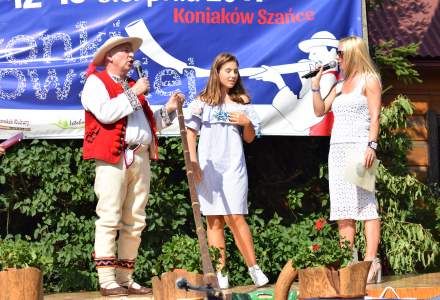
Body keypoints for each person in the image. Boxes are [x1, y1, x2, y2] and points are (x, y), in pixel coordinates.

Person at [81, 35, 184, 297]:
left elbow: (148, 126)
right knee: (109, 217)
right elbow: (105, 113)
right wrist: (135, 92)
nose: (131, 56)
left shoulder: (129, 86)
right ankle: (106, 280)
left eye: (131, 52)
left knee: (136, 221)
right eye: (125, 51)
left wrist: (169, 110)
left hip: (140, 157)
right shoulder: (96, 82)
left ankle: (125, 277)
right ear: (109, 57)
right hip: (113, 158)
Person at [185, 53, 269, 289]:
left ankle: (254, 269)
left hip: (234, 166)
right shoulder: (201, 101)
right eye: (228, 71)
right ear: (217, 72)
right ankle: (221, 274)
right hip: (208, 167)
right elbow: (190, 132)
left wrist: (247, 123)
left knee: (236, 217)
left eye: (235, 71)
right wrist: (193, 163)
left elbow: (251, 139)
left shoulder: (242, 102)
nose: (233, 75)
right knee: (214, 221)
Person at [311, 36, 382, 284]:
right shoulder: (340, 85)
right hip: (338, 149)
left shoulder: (369, 80)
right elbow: (320, 111)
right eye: (337, 53)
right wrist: (316, 86)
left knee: (366, 206)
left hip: (359, 148)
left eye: (340, 53)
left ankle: (371, 262)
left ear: (353, 53)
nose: (337, 57)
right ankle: (348, 263)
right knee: (343, 210)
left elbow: (375, 117)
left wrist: (371, 146)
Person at [249, 31, 339, 135]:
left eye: (314, 53)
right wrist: (306, 80)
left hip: (317, 139)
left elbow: (300, 121)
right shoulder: (322, 76)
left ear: (331, 52)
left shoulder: (328, 78)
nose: (310, 57)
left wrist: (278, 81)